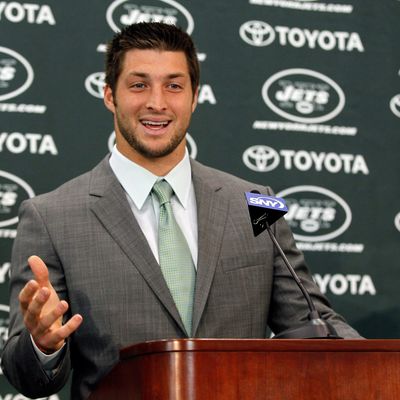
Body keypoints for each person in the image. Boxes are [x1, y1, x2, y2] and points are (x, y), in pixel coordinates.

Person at [1, 22, 361, 399]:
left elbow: (310, 321)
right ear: (109, 95)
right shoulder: (50, 217)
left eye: (173, 85)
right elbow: (27, 378)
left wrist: (378, 363)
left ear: (194, 97)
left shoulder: (257, 201)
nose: (157, 102)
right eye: (139, 85)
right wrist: (44, 346)